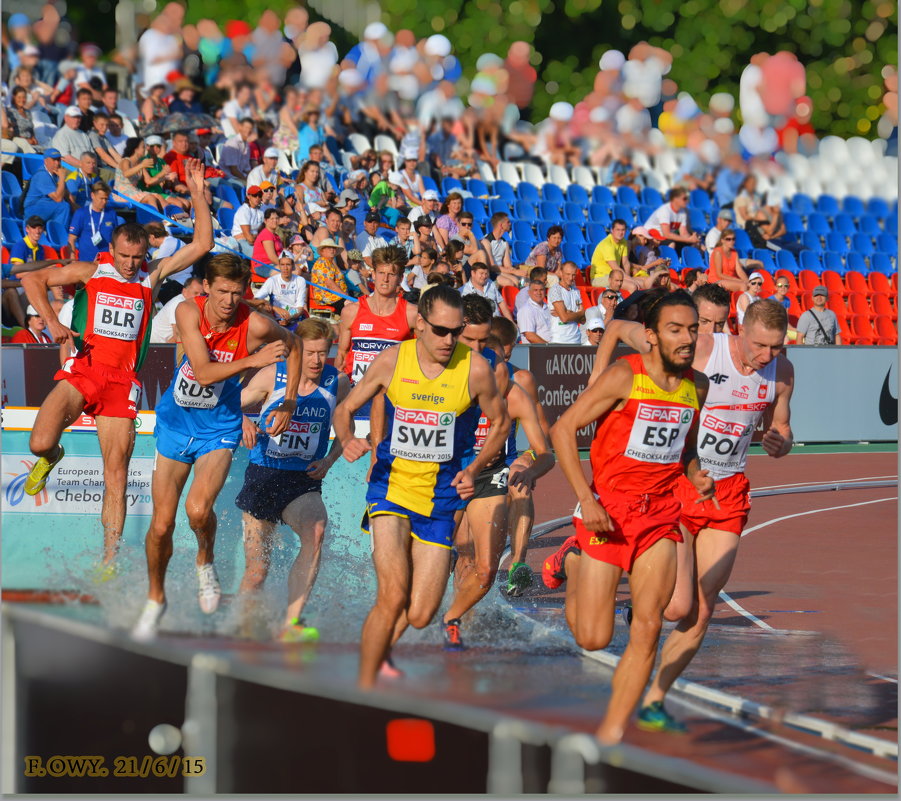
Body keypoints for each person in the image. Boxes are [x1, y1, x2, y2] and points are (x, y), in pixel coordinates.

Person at [19, 159, 213, 575]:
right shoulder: (93, 271)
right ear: (113, 249)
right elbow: (31, 280)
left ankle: (110, 558)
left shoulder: (151, 276)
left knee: (117, 473)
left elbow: (202, 244)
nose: (129, 264)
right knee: (38, 442)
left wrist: (196, 192)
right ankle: (51, 456)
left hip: (122, 383)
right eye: (124, 256)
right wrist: (53, 322)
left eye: (136, 257)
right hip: (83, 370)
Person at [545, 291, 715, 744]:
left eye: (693, 329)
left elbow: (688, 449)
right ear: (652, 337)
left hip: (659, 514)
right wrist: (587, 497)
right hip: (608, 513)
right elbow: (562, 429)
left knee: (649, 625)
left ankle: (613, 734)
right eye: (676, 330)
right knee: (594, 638)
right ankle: (574, 559)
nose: (687, 338)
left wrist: (697, 475)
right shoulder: (625, 376)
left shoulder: (697, 386)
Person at [332, 285, 510, 687]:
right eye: (441, 331)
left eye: (456, 330)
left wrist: (476, 467)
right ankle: (362, 691)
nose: (450, 340)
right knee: (393, 594)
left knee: (420, 614)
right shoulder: (394, 360)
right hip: (391, 490)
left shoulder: (476, 368)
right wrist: (347, 440)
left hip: (441, 500)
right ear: (420, 325)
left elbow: (500, 423)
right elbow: (344, 408)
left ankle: (377, 663)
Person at [133, 252, 303, 640]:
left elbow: (293, 345)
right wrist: (253, 362)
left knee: (196, 511)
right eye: (222, 291)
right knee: (161, 525)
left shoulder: (256, 324)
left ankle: (204, 560)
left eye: (237, 293)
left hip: (219, 429)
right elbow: (205, 372)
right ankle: (155, 599)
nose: (229, 301)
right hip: (176, 425)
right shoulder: (186, 313)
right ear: (206, 287)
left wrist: (290, 398)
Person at [442, 296, 554, 647]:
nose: (489, 362)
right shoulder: (449, 378)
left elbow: (545, 449)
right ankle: (448, 614)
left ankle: (460, 621)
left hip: (490, 478)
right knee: (457, 553)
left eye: (491, 355)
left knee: (482, 564)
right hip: (448, 475)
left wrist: (530, 468)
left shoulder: (515, 391)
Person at [236, 317, 350, 642]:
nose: (316, 361)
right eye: (310, 353)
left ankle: (291, 623)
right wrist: (243, 419)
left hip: (302, 480)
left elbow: (347, 431)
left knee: (316, 531)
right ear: (295, 349)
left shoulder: (336, 382)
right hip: (263, 475)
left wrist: (329, 460)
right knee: (257, 571)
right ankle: (243, 632)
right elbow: (229, 401)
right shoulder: (274, 374)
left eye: (322, 353)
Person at [336, 246, 417, 387]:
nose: (385, 279)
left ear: (400, 278)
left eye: (391, 274)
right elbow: (342, 354)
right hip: (355, 392)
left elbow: (420, 358)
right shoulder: (351, 311)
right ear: (373, 274)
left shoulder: (412, 314)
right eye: (381, 273)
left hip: (391, 392)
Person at [252, 254, 309, 327]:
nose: (285, 268)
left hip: (294, 316)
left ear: (293, 267)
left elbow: (300, 308)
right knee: (260, 306)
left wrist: (289, 316)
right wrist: (274, 308)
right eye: (282, 265)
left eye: (288, 264)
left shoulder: (300, 280)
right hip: (275, 317)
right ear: (279, 266)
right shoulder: (272, 280)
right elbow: (256, 299)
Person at [22, 148, 71, 229]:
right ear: (45, 161)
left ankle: (56, 232)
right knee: (63, 207)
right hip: (33, 209)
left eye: (59, 160)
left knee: (69, 208)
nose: (57, 163)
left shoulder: (56, 174)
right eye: (54, 160)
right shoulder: (42, 175)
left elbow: (68, 197)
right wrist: (62, 178)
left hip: (47, 206)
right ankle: (58, 236)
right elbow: (58, 198)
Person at [67, 181, 116, 260]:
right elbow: (72, 238)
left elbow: (115, 237)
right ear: (92, 195)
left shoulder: (111, 213)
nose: (104, 202)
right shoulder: (81, 213)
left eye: (106, 199)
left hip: (106, 260)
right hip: (86, 260)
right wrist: (72, 258)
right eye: (101, 198)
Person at [150, 277, 204, 343]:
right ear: (184, 291)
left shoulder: (190, 304)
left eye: (202, 294)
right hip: (153, 346)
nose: (199, 297)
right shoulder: (178, 304)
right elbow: (177, 336)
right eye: (195, 293)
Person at [589, 219, 636, 290]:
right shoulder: (607, 244)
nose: (620, 232)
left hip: (614, 276)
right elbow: (615, 267)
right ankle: (628, 301)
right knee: (632, 286)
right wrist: (630, 280)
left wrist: (628, 277)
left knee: (642, 283)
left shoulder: (623, 242)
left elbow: (626, 263)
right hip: (599, 277)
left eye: (623, 230)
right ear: (612, 230)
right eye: (618, 230)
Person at [547, 261, 584, 343]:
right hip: (559, 340)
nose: (571, 278)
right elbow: (564, 318)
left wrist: (568, 313)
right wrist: (578, 314)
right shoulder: (555, 290)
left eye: (573, 275)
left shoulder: (576, 291)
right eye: (567, 274)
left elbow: (583, 319)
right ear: (561, 273)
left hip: (576, 339)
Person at [309, 238, 349, 311]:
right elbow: (329, 283)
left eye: (333, 248)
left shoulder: (330, 262)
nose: (332, 250)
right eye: (329, 247)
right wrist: (344, 295)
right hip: (327, 296)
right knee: (351, 306)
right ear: (322, 251)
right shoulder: (322, 262)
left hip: (336, 295)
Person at [707, 229, 748, 293]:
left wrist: (747, 281)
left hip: (731, 281)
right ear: (722, 240)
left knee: (750, 285)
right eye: (728, 239)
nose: (732, 241)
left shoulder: (734, 252)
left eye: (733, 239)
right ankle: (743, 302)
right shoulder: (718, 252)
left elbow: (739, 271)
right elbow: (719, 274)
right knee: (743, 286)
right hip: (717, 281)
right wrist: (737, 280)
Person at [231, 185, 266, 258]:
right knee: (261, 256)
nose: (257, 198)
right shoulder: (244, 210)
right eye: (254, 195)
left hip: (253, 240)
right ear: (248, 196)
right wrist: (256, 237)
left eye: (259, 196)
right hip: (241, 241)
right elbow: (249, 238)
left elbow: (264, 232)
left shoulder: (260, 212)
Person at [517, 276, 553, 344]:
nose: (539, 293)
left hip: (554, 348)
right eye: (535, 290)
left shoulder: (548, 308)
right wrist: (549, 348)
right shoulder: (526, 310)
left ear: (545, 292)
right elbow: (530, 336)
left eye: (541, 290)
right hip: (536, 351)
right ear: (529, 292)